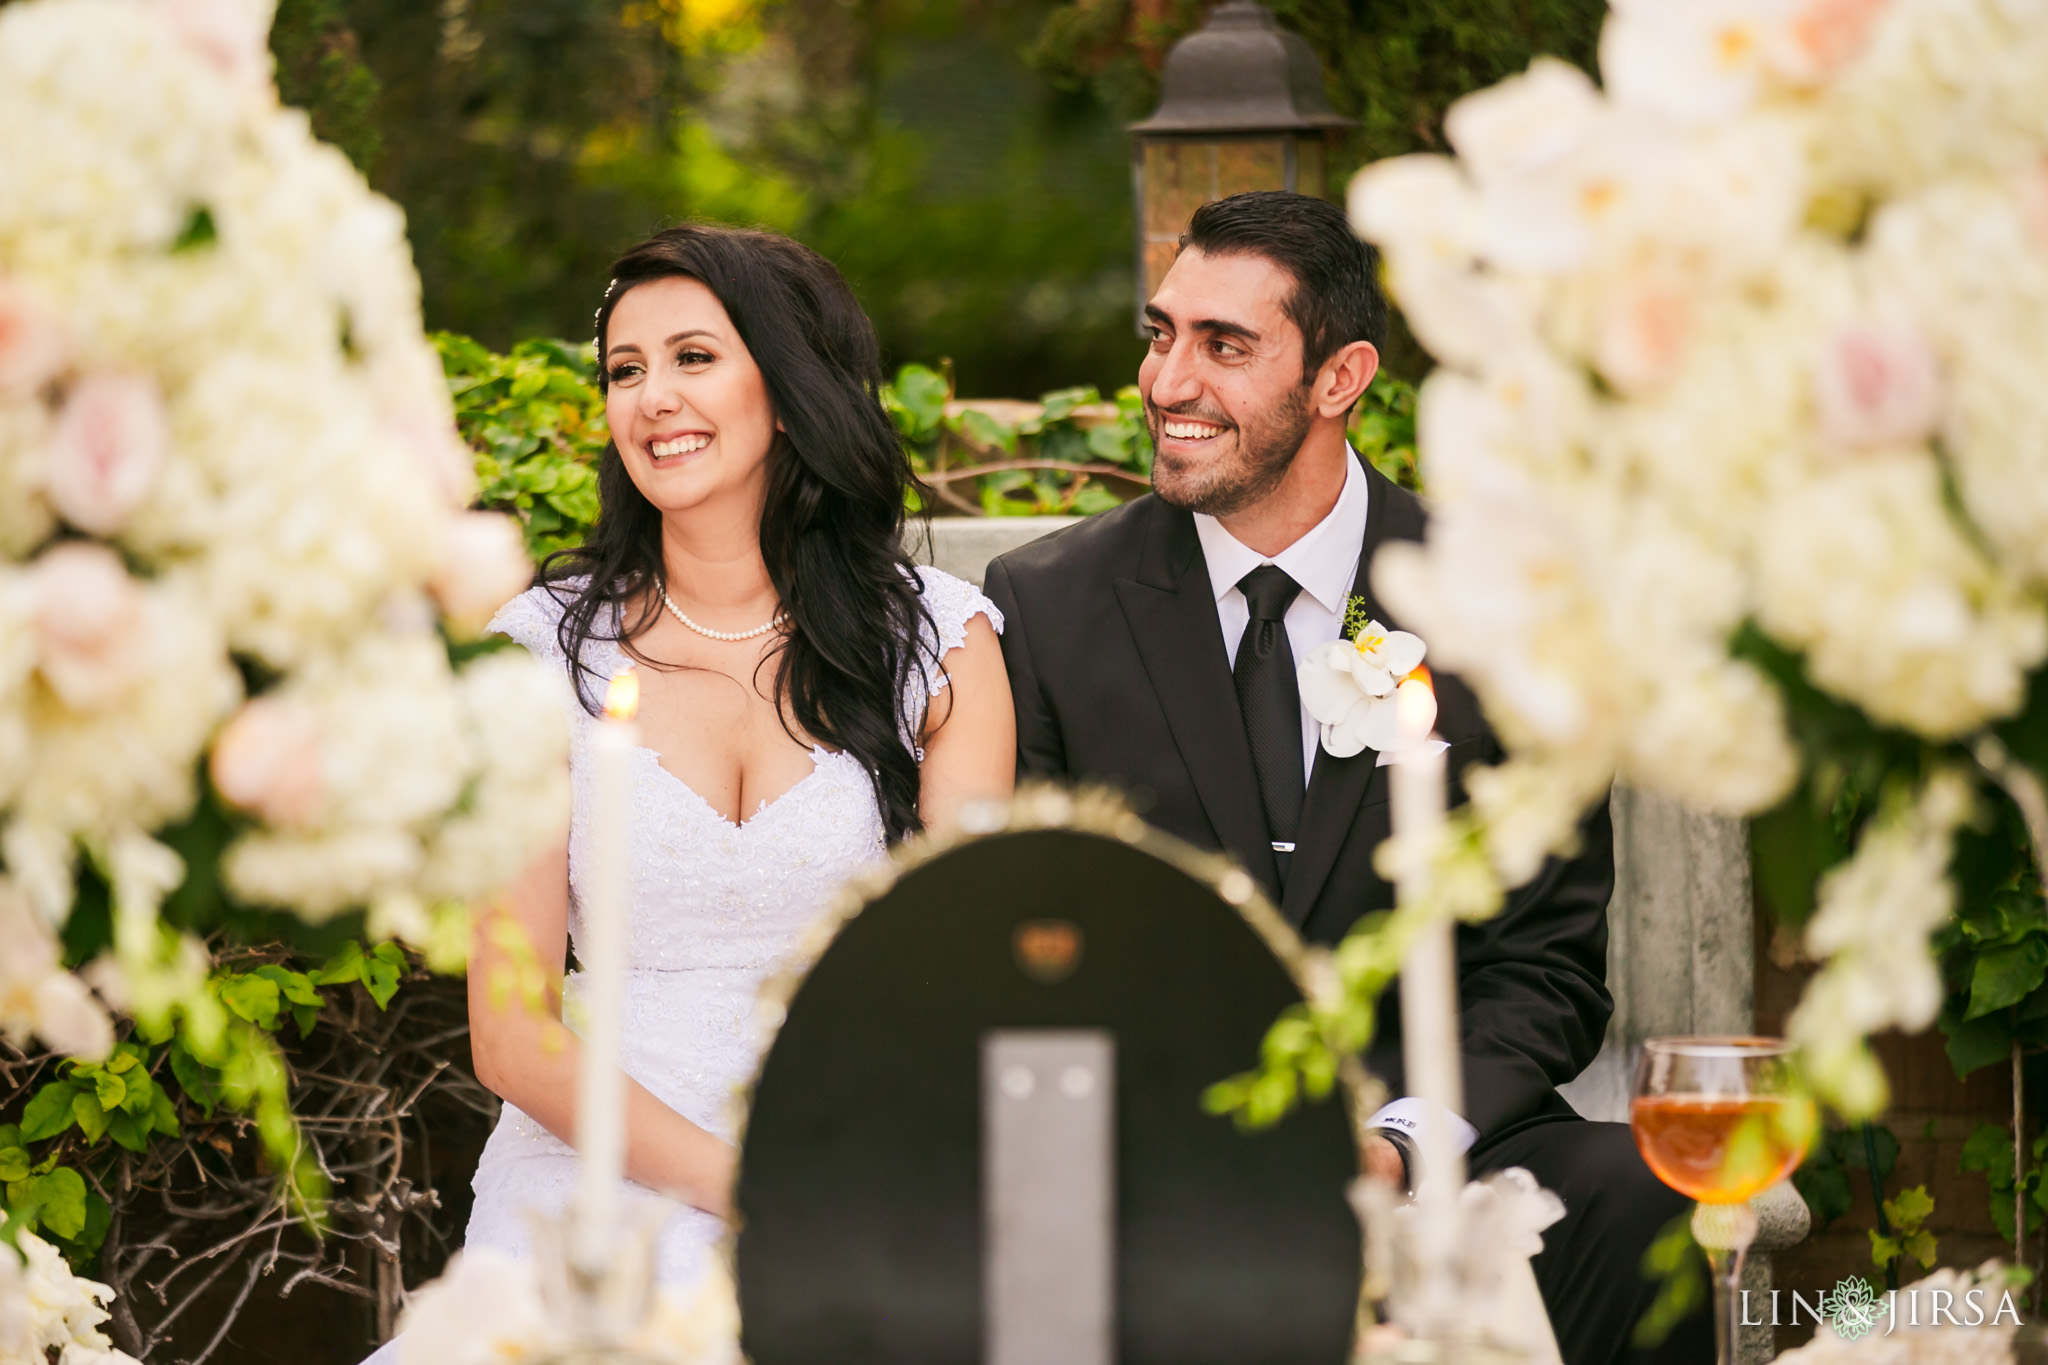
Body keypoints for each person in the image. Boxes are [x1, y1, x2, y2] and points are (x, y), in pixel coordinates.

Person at [984, 191, 1706, 1365]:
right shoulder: (1048, 606)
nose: (1166, 383)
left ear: (1338, 377)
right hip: (1162, 1144)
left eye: (1223, 347)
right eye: (1158, 334)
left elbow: (1545, 968)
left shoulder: (1498, 606)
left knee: (1633, 1199)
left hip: (1443, 1139)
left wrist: (1398, 1141)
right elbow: (1033, 936)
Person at [416, 225, 1013, 1336]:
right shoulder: (534, 654)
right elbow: (509, 1032)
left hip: (862, 1154)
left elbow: (966, 976)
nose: (650, 399)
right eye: (624, 371)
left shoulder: (940, 641)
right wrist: (747, 1190)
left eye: (693, 358)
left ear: (786, 389)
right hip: (591, 1170)